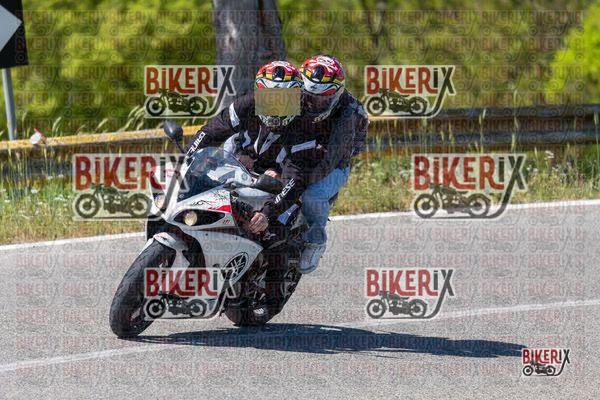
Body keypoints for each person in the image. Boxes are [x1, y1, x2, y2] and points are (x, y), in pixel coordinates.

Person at [248, 55, 369, 274]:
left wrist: (291, 180)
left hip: (334, 163)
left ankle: (316, 239)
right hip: (301, 154)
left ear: (337, 93)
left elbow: (328, 161)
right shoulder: (294, 99)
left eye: (323, 99)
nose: (314, 103)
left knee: (312, 194)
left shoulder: (348, 114)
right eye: (309, 96)